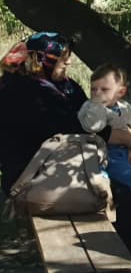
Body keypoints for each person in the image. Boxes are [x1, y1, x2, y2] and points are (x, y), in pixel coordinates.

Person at [0, 33, 104, 194]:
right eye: (62, 57)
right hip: (31, 178)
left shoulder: (65, 86)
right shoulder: (24, 91)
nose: (68, 61)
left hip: (60, 164)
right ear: (42, 60)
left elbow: (89, 116)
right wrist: (124, 138)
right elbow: (73, 128)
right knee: (123, 194)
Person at [80, 64, 131, 252]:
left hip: (127, 151)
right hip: (107, 154)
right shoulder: (90, 108)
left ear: (121, 92)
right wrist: (97, 104)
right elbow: (93, 126)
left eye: (104, 89)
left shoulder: (124, 107)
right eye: (93, 89)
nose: (97, 93)